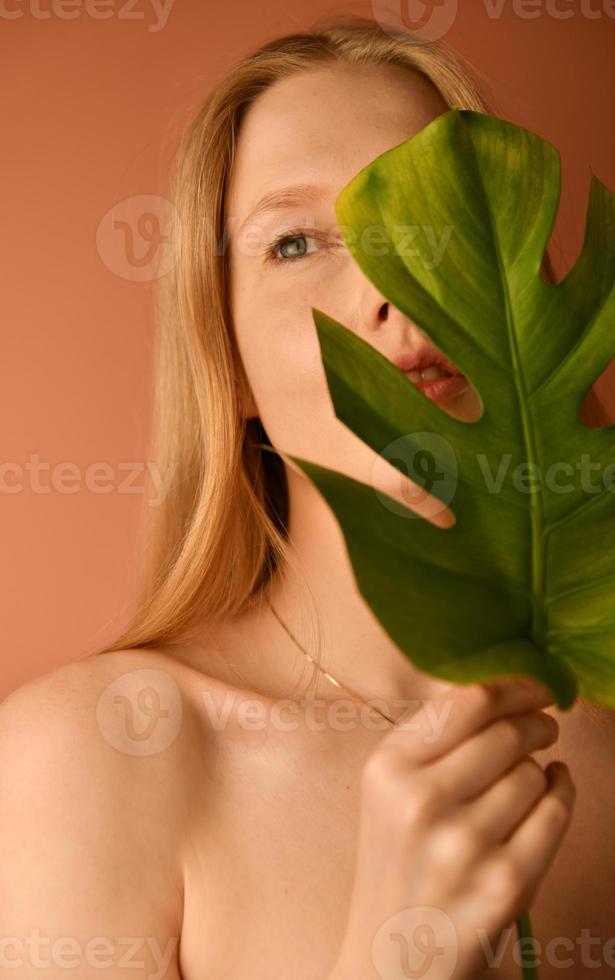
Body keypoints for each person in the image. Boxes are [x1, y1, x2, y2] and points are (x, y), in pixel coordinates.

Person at [1, 15, 613, 980]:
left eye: (437, 215)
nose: (386, 279)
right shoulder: (93, 757)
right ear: (227, 363)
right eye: (295, 243)